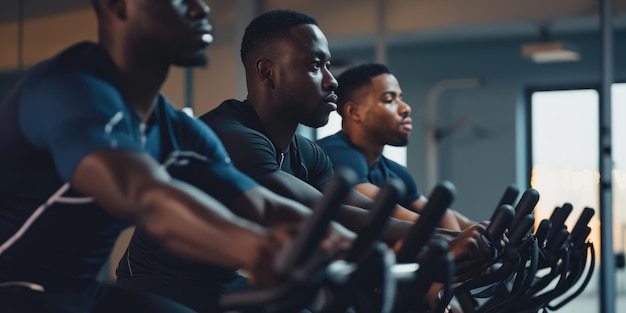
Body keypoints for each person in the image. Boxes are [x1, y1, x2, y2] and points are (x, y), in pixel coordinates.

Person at [0, 1, 352, 312]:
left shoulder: (175, 129)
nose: (202, 9)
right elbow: (148, 198)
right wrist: (256, 247)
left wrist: (346, 245)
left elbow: (261, 205)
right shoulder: (69, 90)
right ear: (118, 6)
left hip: (77, 292)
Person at [317, 63, 477, 231]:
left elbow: (440, 213)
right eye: (389, 100)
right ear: (354, 112)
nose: (405, 108)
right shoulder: (333, 152)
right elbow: (380, 207)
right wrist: (452, 236)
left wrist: (477, 227)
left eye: (400, 98)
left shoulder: (396, 172)